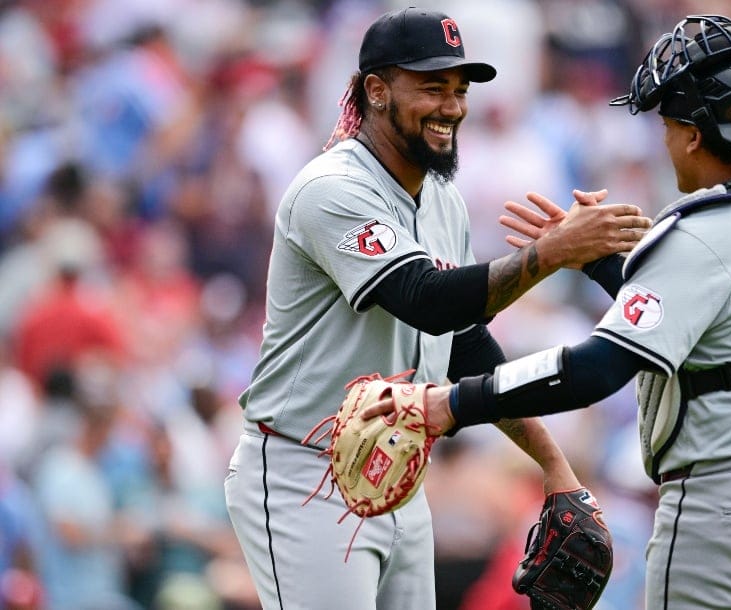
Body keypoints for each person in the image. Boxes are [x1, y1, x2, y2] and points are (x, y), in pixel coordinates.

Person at [367, 14, 731, 609]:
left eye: (667, 125)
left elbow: (597, 368)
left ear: (694, 135)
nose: (664, 140)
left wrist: (454, 402)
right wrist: (589, 260)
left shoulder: (704, 229)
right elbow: (701, 321)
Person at [222, 7, 650, 610]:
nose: (452, 106)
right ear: (376, 90)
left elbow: (467, 344)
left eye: (458, 89)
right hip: (305, 472)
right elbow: (426, 299)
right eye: (431, 87)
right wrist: (553, 251)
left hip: (400, 473)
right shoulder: (332, 189)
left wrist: (555, 467)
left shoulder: (441, 196)